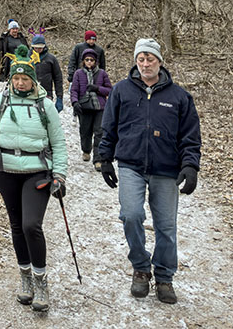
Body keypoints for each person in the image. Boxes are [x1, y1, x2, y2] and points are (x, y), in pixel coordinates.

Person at [98, 38, 201, 306]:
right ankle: (141, 268)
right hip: (131, 165)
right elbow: (108, 128)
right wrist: (104, 158)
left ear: (160, 62)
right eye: (141, 59)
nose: (145, 64)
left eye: (150, 59)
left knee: (166, 226)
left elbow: (190, 137)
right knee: (131, 215)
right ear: (136, 61)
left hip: (167, 169)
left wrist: (190, 165)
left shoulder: (179, 97)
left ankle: (165, 277)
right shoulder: (121, 91)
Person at [0, 44, 68, 313]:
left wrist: (59, 175)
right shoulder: (0, 100)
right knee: (16, 226)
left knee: (30, 226)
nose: (20, 82)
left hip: (37, 171)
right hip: (6, 170)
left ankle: (40, 281)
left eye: (25, 78)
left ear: (33, 80)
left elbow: (59, 144)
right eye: (16, 78)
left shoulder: (44, 105)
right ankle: (25, 278)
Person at [69, 48, 112, 167]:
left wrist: (97, 88)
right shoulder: (78, 73)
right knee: (85, 131)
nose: (89, 62)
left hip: (100, 107)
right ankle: (86, 150)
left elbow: (110, 90)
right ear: (83, 61)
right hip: (84, 106)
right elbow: (74, 90)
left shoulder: (102, 73)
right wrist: (75, 102)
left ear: (95, 61)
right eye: (87, 60)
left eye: (91, 60)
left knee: (99, 132)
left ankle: (98, 159)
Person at [30, 34, 64, 111]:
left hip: (46, 93)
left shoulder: (51, 59)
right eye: (36, 47)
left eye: (40, 47)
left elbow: (58, 78)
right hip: (30, 93)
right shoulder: (28, 58)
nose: (38, 49)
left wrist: (59, 97)